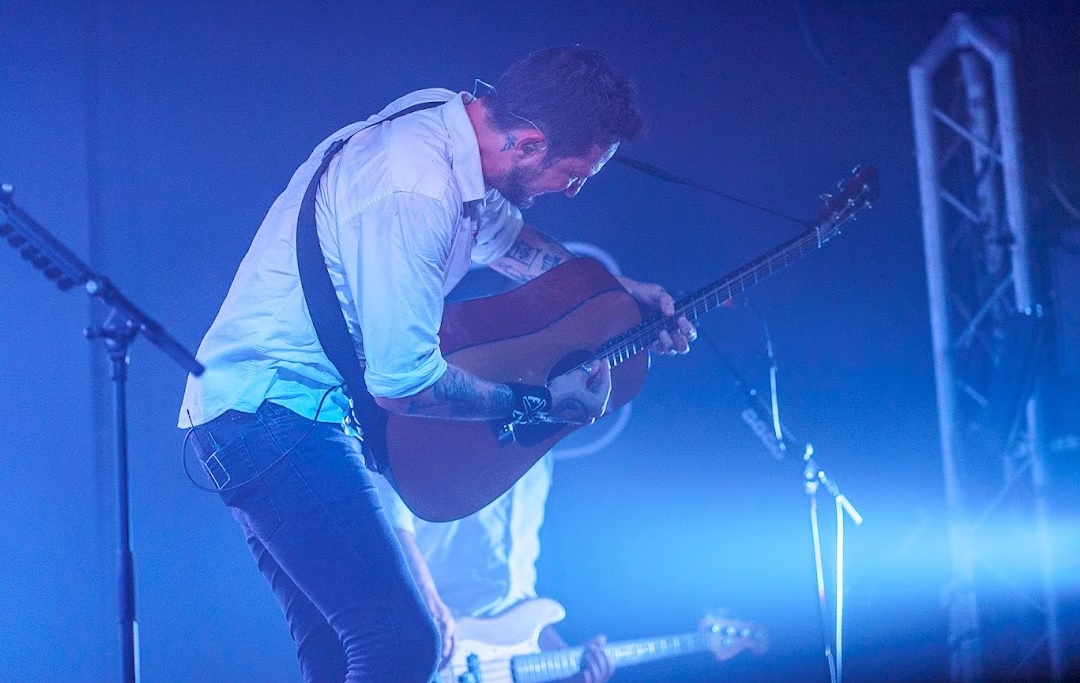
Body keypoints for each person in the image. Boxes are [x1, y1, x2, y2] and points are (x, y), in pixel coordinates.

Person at [179, 46, 695, 683]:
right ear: (531, 142)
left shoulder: (450, 134)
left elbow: (509, 243)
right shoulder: (415, 187)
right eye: (574, 174)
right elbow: (403, 384)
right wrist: (533, 403)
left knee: (341, 655)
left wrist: (620, 294)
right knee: (403, 646)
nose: (571, 190)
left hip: (266, 416)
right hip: (273, 414)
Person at [375, 451, 614, 683]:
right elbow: (386, 500)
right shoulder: (454, 420)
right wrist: (428, 602)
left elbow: (516, 594)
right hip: (432, 638)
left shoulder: (544, 457)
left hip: (491, 663)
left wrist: (564, 660)